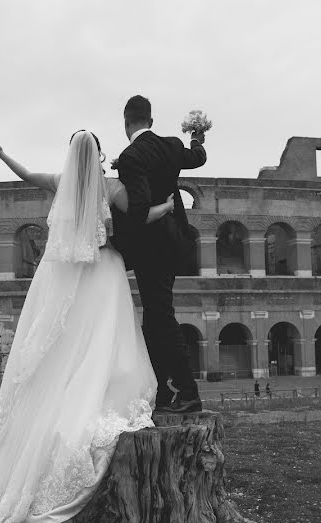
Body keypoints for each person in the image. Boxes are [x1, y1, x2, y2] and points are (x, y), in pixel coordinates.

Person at [0, 129, 168, 523]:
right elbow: (140, 215)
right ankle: (97, 391)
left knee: (65, 340)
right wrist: (167, 207)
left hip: (65, 273)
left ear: (71, 156)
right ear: (101, 154)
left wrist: (2, 152)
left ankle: (56, 408)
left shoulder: (62, 182)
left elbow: (25, 175)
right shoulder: (112, 186)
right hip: (105, 268)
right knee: (108, 339)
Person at [111, 95, 207, 413]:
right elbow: (198, 158)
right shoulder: (169, 145)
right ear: (150, 121)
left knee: (161, 317)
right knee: (154, 318)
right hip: (174, 243)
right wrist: (197, 137)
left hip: (149, 249)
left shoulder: (130, 156)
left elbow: (138, 210)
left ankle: (188, 391)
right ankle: (163, 394)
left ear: (126, 123)